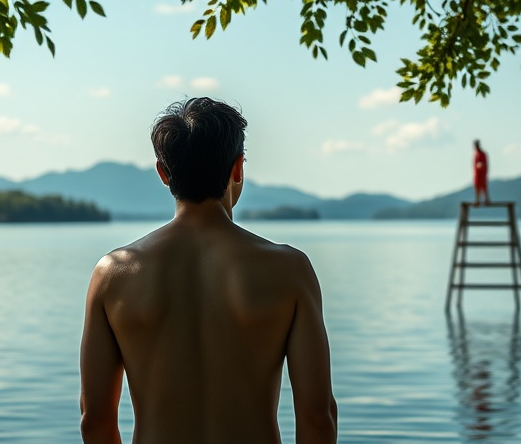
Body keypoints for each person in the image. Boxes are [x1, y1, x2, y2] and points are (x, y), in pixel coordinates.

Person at [79, 97, 337, 443]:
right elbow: (317, 418)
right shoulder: (289, 270)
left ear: (163, 172)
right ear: (238, 168)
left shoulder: (112, 274)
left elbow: (95, 420)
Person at [473, 139, 490, 206]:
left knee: (483, 187)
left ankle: (487, 200)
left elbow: (483, 164)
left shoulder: (482, 154)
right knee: (477, 186)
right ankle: (477, 200)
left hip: (482, 173)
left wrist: (480, 165)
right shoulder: (476, 153)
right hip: (477, 173)